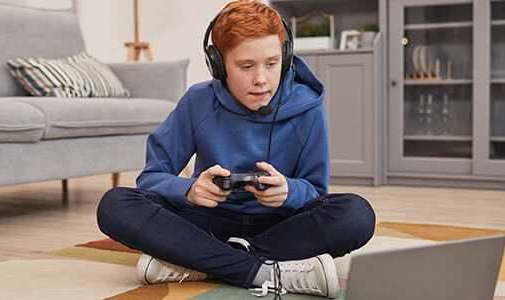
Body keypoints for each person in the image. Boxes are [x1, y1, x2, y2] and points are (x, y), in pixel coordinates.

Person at [96, 1, 375, 298]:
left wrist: (288, 192)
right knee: (114, 204)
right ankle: (263, 271)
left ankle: (198, 264)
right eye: (246, 66)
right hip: (206, 222)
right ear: (219, 64)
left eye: (271, 64)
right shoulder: (197, 101)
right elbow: (151, 177)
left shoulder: (308, 107)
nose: (261, 79)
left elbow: (315, 191)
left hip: (281, 227)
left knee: (356, 215)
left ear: (285, 56)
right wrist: (189, 190)